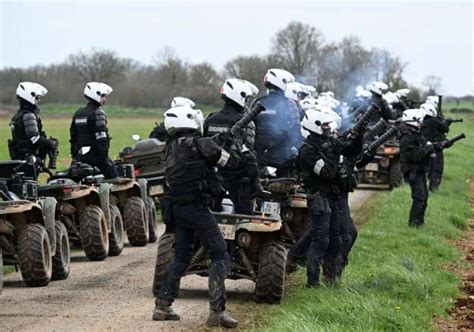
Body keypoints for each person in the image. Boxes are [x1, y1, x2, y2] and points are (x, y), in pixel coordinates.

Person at [153, 105, 243, 328]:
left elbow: (206, 154)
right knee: (220, 252)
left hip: (179, 210)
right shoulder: (198, 144)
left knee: (182, 256)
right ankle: (217, 311)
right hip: (197, 209)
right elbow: (229, 163)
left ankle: (163, 305)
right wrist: (229, 142)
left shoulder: (172, 147)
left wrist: (219, 141)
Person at [293, 110, 344, 286]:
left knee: (335, 239)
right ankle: (312, 282)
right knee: (320, 239)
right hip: (318, 198)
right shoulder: (307, 151)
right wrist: (335, 153)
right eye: (324, 127)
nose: (328, 130)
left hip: (331, 196)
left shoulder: (325, 144)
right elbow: (327, 172)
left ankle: (330, 278)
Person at [204, 78, 260, 214]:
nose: (247, 103)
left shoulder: (210, 119)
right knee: (245, 223)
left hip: (213, 180)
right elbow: (248, 155)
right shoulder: (245, 122)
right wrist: (255, 183)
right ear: (239, 96)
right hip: (239, 182)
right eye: (246, 98)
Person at [399, 108, 444, 227]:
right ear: (413, 121)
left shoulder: (415, 134)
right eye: (419, 121)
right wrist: (429, 148)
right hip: (413, 171)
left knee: (424, 197)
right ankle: (413, 224)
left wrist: (439, 146)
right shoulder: (407, 137)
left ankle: (420, 223)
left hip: (419, 170)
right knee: (419, 198)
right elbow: (415, 155)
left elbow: (425, 147)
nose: (421, 124)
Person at [254, 68, 302, 177]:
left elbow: (250, 128)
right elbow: (296, 132)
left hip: (259, 158)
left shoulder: (258, 102)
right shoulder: (289, 104)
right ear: (282, 82)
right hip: (282, 159)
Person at [69, 82, 117, 178]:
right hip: (96, 155)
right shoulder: (98, 113)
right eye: (103, 96)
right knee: (116, 178)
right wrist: (105, 158)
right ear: (96, 95)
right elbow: (101, 138)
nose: (105, 99)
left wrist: (75, 156)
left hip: (80, 156)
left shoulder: (78, 113)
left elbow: (73, 137)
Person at [9, 82, 59, 170]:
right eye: (37, 97)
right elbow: (35, 139)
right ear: (29, 96)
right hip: (28, 159)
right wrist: (51, 143)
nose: (38, 100)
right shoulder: (28, 115)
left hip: (20, 158)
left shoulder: (17, 115)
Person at [419, 103, 449, 192]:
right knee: (437, 167)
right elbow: (445, 128)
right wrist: (444, 121)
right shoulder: (433, 121)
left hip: (422, 147)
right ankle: (434, 187)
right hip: (434, 147)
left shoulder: (420, 121)